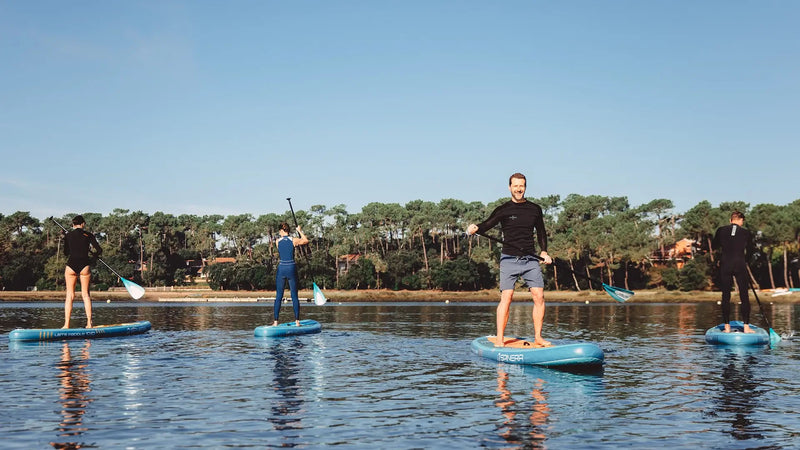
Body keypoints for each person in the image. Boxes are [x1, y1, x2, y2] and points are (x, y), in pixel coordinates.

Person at [466, 173, 553, 347]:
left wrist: (544, 252)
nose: (519, 189)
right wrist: (476, 227)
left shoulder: (535, 209)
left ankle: (538, 337)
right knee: (507, 296)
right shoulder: (503, 209)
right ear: (509, 187)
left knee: (539, 295)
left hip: (530, 258)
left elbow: (541, 232)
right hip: (509, 258)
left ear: (525, 187)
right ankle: (500, 338)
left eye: (522, 186)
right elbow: (487, 224)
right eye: (515, 186)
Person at [712, 210, 754, 333]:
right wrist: (747, 261)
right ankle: (746, 327)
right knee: (744, 295)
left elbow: (714, 245)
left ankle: (727, 327)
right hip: (740, 263)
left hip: (726, 264)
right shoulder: (746, 232)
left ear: (730, 220)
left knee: (726, 295)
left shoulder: (721, 230)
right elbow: (751, 251)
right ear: (741, 221)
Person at [63, 215, 102, 329]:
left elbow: (66, 253)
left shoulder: (68, 235)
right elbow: (99, 250)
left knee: (70, 295)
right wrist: (92, 259)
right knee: (85, 295)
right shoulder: (88, 235)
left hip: (71, 265)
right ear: (83, 224)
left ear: (73, 224)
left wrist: (68, 241)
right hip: (85, 265)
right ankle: (89, 323)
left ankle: (66, 325)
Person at [272, 222, 309, 327]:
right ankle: (297, 321)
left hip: (282, 268)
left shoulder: (277, 241)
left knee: (279, 296)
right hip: (291, 267)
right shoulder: (294, 240)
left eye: (279, 231)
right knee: (294, 296)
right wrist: (299, 231)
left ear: (281, 231)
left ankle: (275, 322)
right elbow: (306, 240)